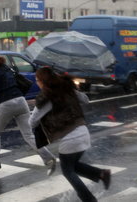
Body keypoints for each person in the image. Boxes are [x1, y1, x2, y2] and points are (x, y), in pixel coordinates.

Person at [29, 67, 111, 202]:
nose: (37, 83)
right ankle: (101, 174)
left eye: (37, 80)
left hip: (70, 138)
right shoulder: (67, 88)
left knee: (68, 171)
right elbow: (86, 100)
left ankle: (89, 198)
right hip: (83, 132)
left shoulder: (47, 97)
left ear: (43, 81)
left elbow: (32, 122)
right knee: (73, 166)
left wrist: (38, 112)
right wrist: (74, 90)